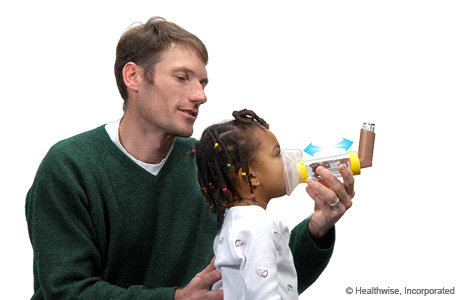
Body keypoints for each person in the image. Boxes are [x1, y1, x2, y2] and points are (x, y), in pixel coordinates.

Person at [25, 17, 355, 300]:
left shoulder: (210, 163)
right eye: (182, 78)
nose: (200, 95)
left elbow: (258, 272)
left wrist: (317, 230)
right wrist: (175, 297)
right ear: (133, 77)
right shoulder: (69, 167)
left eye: (202, 82)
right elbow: (65, 291)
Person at [190, 109, 299, 299]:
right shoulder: (261, 225)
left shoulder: (230, 223)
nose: (287, 160)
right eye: (277, 154)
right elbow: (262, 291)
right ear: (250, 176)